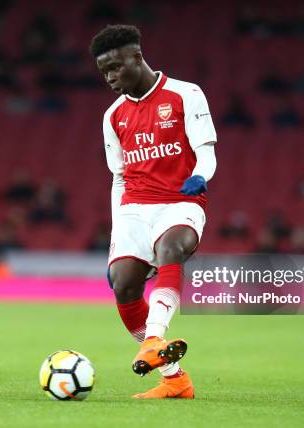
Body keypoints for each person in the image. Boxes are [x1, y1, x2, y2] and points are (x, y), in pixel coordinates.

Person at [90, 25, 218, 399]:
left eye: (115, 67)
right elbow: (119, 176)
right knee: (124, 284)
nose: (110, 78)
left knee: (170, 250)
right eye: (104, 73)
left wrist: (200, 175)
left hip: (181, 201)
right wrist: (119, 230)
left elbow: (206, 149)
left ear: (136, 57)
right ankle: (175, 379)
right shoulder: (112, 116)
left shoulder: (185, 94)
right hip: (134, 206)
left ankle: (155, 339)